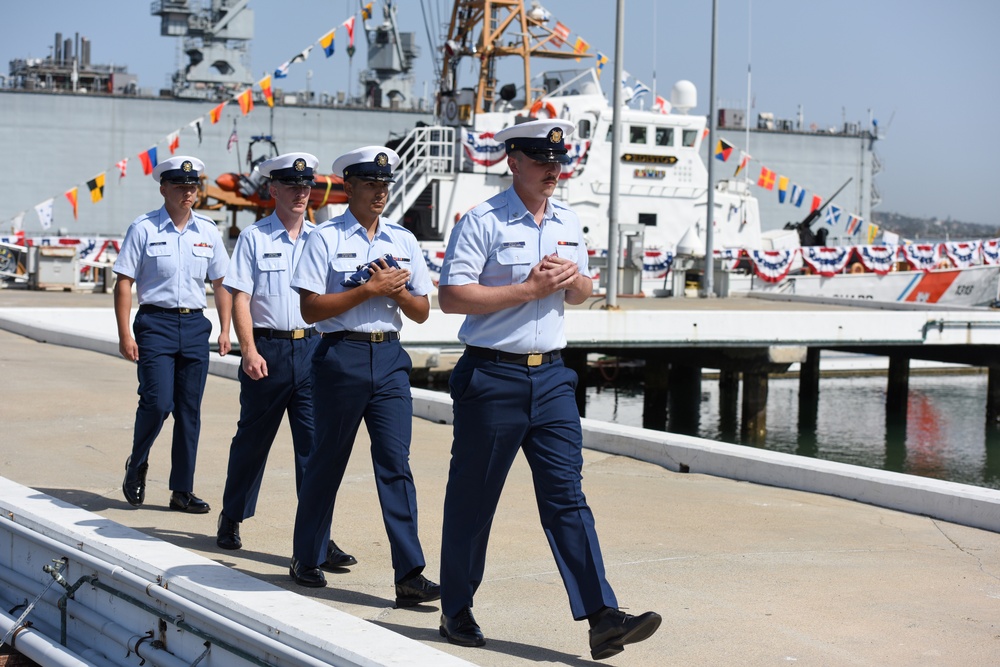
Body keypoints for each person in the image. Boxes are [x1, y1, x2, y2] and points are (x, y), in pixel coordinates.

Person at [436, 119, 661, 660]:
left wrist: (574, 280)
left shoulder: (568, 219)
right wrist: (527, 288)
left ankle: (602, 617)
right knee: (475, 499)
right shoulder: (483, 220)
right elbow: (452, 297)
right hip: (493, 375)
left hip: (553, 377)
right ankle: (456, 608)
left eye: (558, 159)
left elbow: (582, 292)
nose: (553, 169)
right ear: (512, 161)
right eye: (541, 159)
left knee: (567, 497)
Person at [287, 146, 440, 608]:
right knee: (327, 461)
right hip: (341, 356)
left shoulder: (403, 239)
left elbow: (422, 312)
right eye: (371, 185)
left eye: (385, 185)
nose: (380, 193)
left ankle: (409, 574)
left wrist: (397, 293)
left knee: (396, 464)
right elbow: (310, 309)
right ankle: (307, 557)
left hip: (390, 358)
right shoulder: (325, 238)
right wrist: (368, 290)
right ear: (349, 187)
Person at [215, 152, 355, 569]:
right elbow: (239, 295)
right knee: (251, 443)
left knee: (316, 451)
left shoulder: (322, 238)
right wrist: (249, 350)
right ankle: (232, 515)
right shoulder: (255, 238)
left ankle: (319, 539)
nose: (300, 193)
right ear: (273, 189)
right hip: (269, 351)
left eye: (306, 186)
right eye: (292, 186)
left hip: (314, 352)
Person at [113, 155, 232, 514]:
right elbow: (124, 283)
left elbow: (222, 282)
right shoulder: (144, 228)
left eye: (192, 186)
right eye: (180, 186)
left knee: (189, 411)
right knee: (157, 403)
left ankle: (182, 489)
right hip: (155, 325)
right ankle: (137, 463)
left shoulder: (208, 231)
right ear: (163, 188)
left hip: (195, 326)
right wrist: (124, 335)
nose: (187, 192)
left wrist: (226, 328)